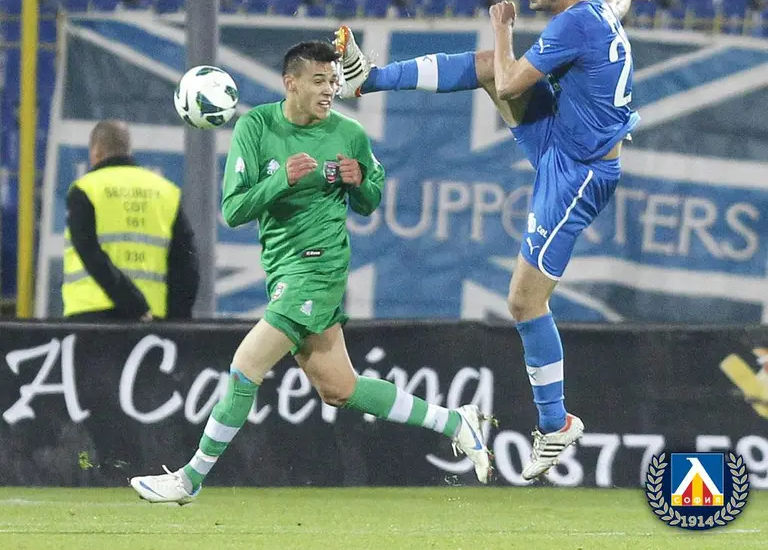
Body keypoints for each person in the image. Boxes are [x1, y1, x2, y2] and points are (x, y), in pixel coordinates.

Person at [334, 0, 653, 481]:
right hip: (562, 140)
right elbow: (613, 6)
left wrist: (502, 27)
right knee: (487, 66)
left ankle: (556, 424)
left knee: (524, 302)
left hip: (579, 174)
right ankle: (370, 78)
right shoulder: (594, 9)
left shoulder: (573, 24)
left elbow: (510, 84)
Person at [130, 41, 492, 504]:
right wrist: (282, 179)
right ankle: (456, 422)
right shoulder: (256, 127)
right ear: (291, 83)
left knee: (245, 369)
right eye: (319, 81)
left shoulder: (349, 133)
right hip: (283, 271)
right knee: (339, 388)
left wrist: (359, 183)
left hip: (318, 270)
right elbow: (233, 209)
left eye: (334, 81)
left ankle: (189, 479)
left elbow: (370, 200)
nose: (329, 90)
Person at [62, 120, 199, 321]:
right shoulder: (165, 192)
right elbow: (187, 264)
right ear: (128, 149)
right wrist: (176, 321)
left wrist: (132, 301)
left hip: (91, 317)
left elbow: (88, 251)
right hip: (152, 322)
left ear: (96, 152)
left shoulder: (85, 189)